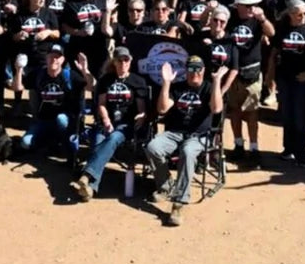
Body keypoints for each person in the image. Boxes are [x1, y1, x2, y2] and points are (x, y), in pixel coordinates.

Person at [147, 57, 230, 226]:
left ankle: (179, 202)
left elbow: (216, 109)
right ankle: (166, 185)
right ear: (186, 71)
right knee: (152, 147)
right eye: (191, 69)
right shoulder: (177, 87)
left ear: (203, 70)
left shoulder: (209, 87)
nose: (195, 73)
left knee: (188, 151)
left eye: (198, 69)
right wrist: (166, 83)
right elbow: (162, 109)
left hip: (200, 135)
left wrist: (217, 82)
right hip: (175, 133)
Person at [73, 46, 149, 200]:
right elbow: (101, 104)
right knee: (98, 141)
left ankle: (86, 175)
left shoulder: (137, 81)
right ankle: (90, 189)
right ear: (114, 62)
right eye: (120, 60)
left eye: (126, 60)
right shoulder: (106, 80)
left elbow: (141, 109)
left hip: (127, 125)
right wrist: (106, 120)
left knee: (113, 137)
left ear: (130, 61)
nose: (123, 63)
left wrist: (142, 116)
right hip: (107, 122)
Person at [227, 0, 273, 167]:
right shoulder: (231, 19)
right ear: (238, 6)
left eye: (253, 5)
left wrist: (262, 19)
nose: (251, 8)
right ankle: (238, 144)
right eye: (247, 5)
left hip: (252, 71)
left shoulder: (257, 20)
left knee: (252, 111)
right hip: (233, 72)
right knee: (235, 110)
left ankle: (254, 148)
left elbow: (271, 33)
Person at [272, 0, 305, 165]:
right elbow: (275, 52)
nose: (304, 17)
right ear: (291, 14)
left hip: (302, 79)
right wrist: (271, 76)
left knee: (300, 117)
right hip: (284, 77)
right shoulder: (283, 28)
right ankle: (288, 149)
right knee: (287, 115)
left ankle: (301, 153)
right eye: (300, 14)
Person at [20, 45, 92, 154]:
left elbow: (91, 87)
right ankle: (49, 142)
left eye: (57, 57)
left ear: (62, 60)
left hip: (65, 120)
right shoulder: (39, 74)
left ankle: (63, 142)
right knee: (25, 143)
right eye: (51, 56)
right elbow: (17, 87)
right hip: (44, 120)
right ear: (46, 58)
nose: (54, 60)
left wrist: (85, 70)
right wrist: (18, 69)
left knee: (61, 119)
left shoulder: (69, 75)